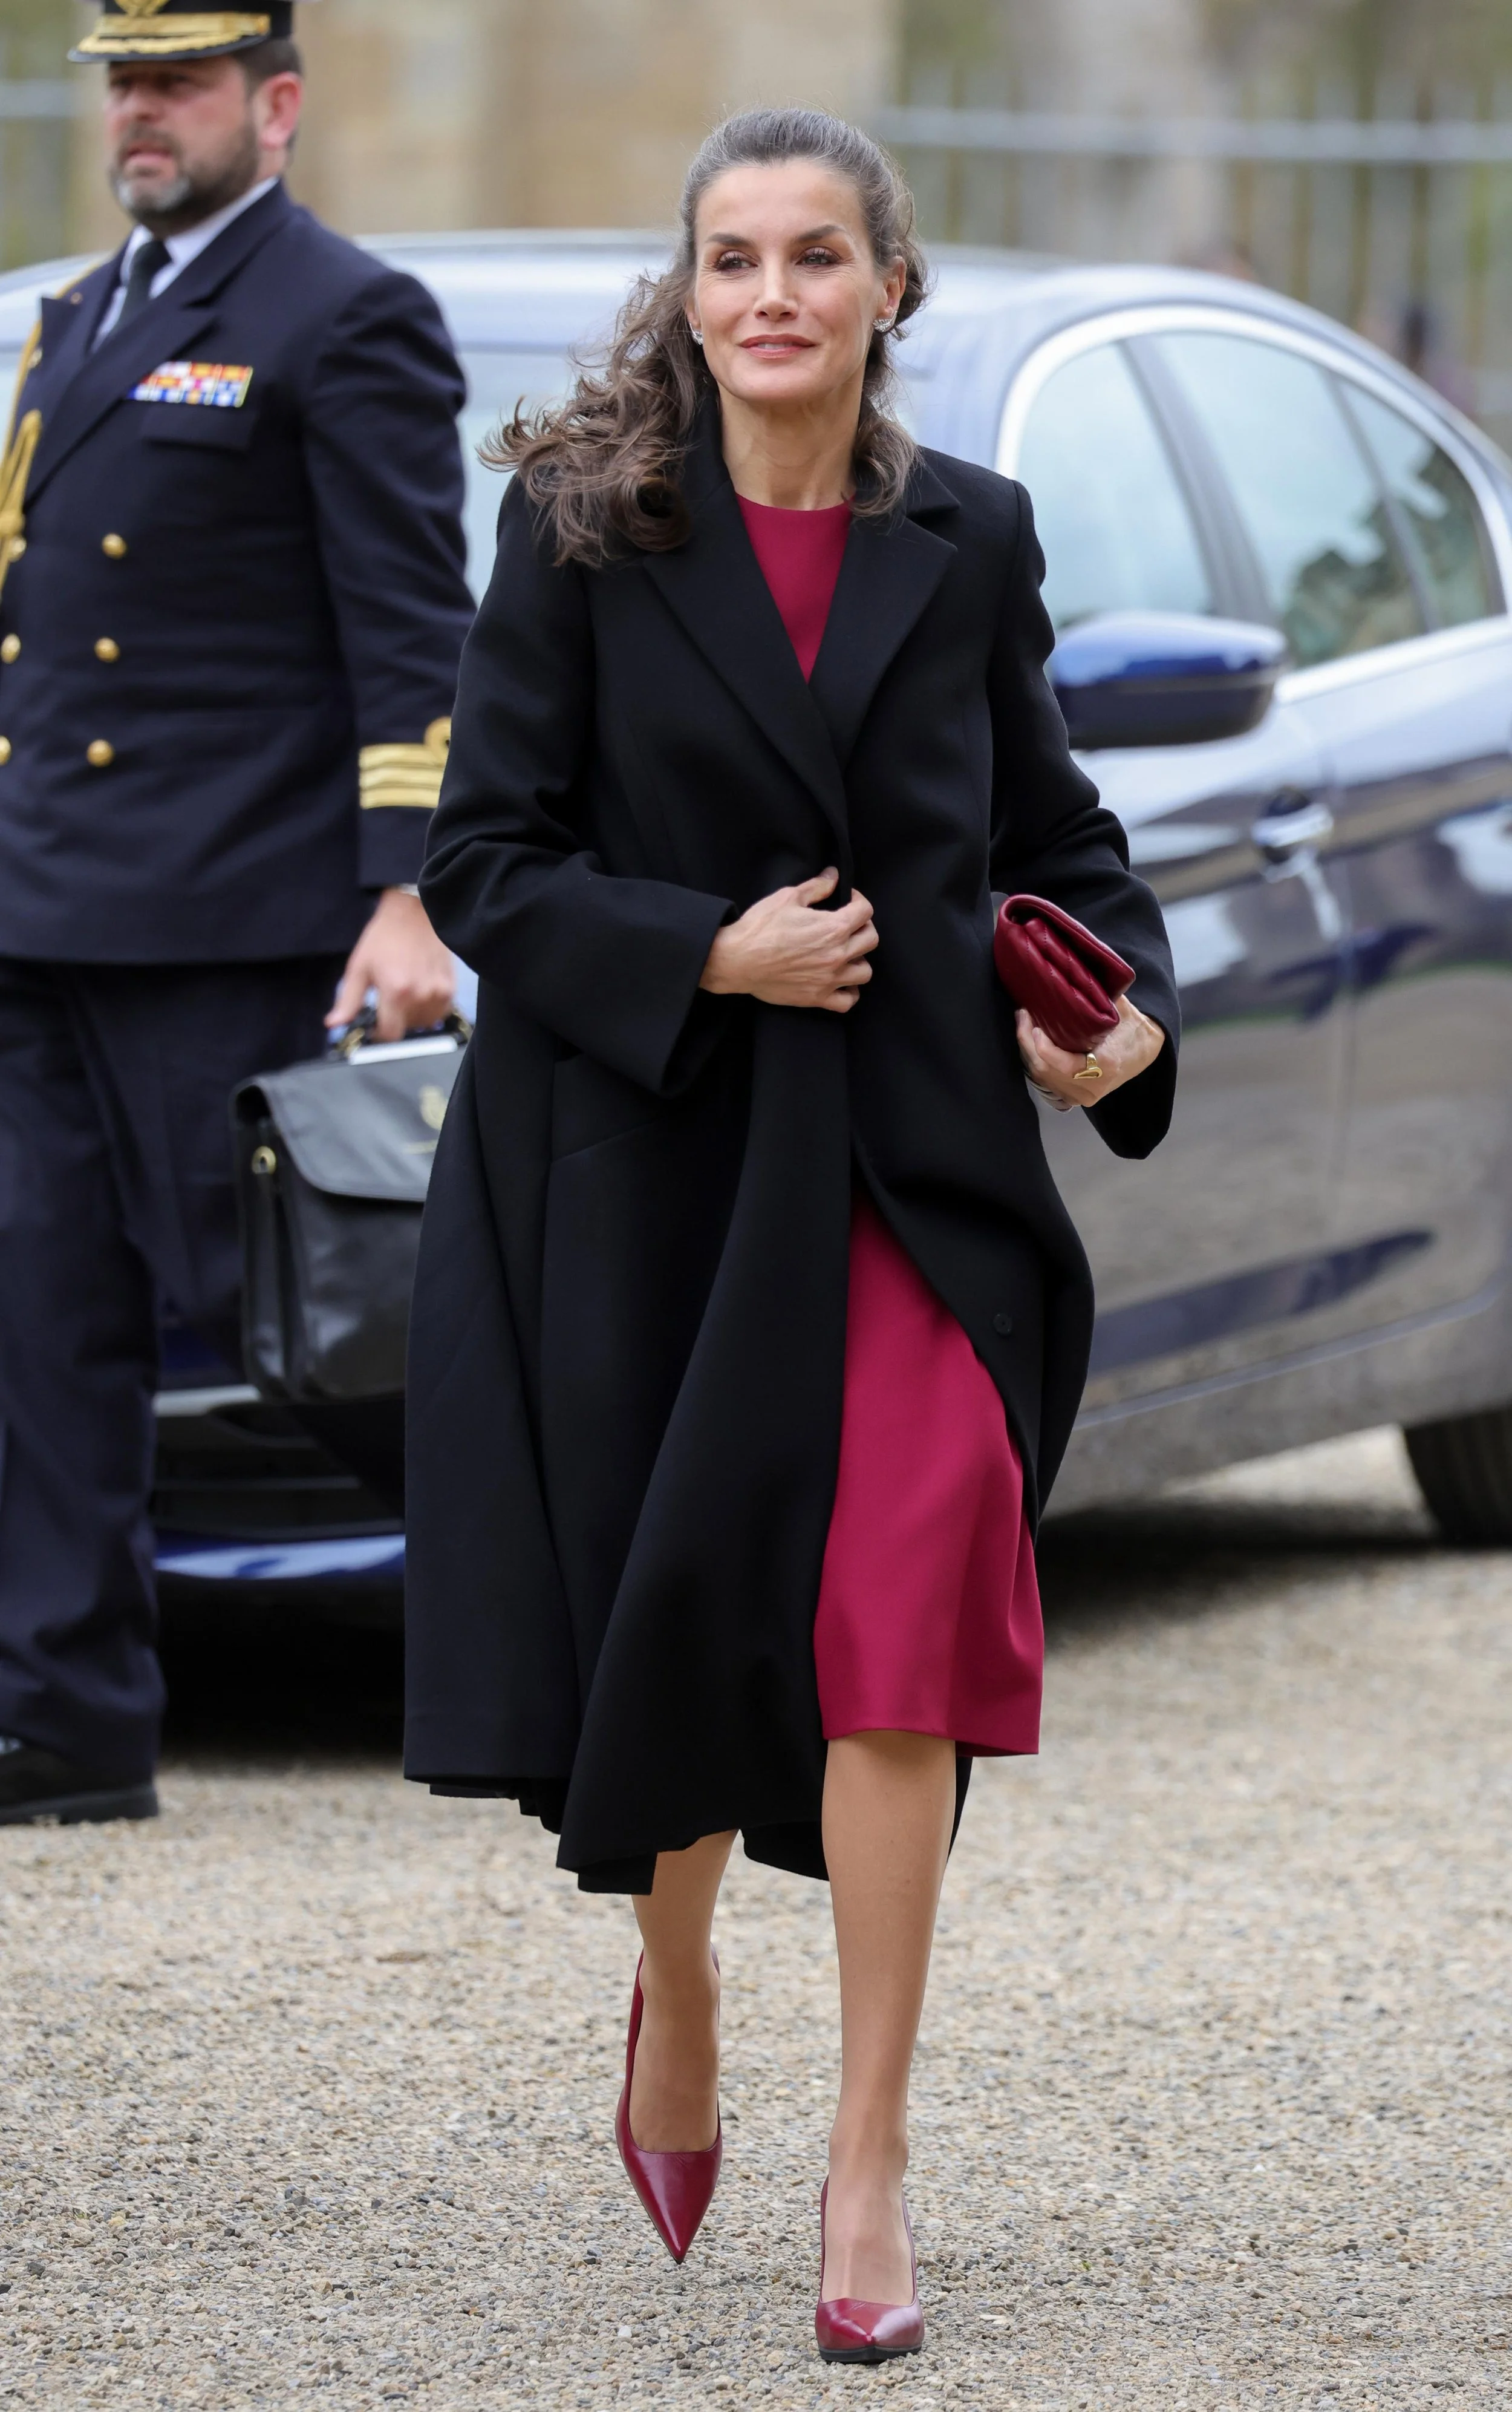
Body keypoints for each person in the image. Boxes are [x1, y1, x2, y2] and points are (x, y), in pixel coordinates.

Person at [403, 107, 1178, 2364]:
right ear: (688, 290)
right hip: (654, 1172)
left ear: (884, 288)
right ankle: (676, 1980)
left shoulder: (971, 535)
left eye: (813, 255)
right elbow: (484, 865)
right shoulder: (580, 533)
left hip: (917, 1173)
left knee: (902, 1608)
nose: (769, 296)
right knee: (692, 1623)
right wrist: (705, 959)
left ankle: (866, 2159)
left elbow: (1063, 834)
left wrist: (1117, 1028)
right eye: (729, 257)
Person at [0, 0, 475, 1828]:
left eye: (179, 80)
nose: (142, 110)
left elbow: (410, 629)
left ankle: (583, 1630)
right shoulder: (83, 316)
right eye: (122, 79)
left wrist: (407, 895)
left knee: (311, 1326)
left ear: (272, 107)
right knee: (44, 1328)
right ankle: (65, 1720)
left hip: (224, 915)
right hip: (47, 911)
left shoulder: (342, 315)